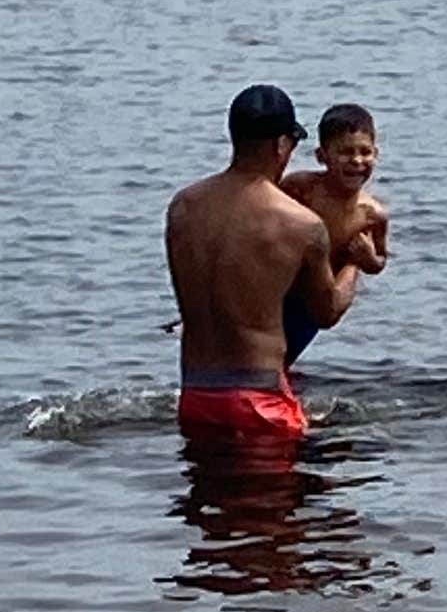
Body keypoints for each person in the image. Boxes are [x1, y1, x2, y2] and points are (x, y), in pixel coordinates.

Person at [165, 83, 359, 453]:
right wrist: (352, 261)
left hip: (195, 398)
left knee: (204, 507)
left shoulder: (183, 207)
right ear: (281, 146)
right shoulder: (300, 224)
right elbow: (328, 310)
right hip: (259, 404)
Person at [281, 101, 389, 366]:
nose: (357, 161)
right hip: (282, 288)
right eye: (345, 152)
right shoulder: (302, 188)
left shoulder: (372, 214)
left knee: (285, 355)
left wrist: (367, 260)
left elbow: (380, 261)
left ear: (376, 153)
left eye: (365, 152)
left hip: (315, 302)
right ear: (322, 156)